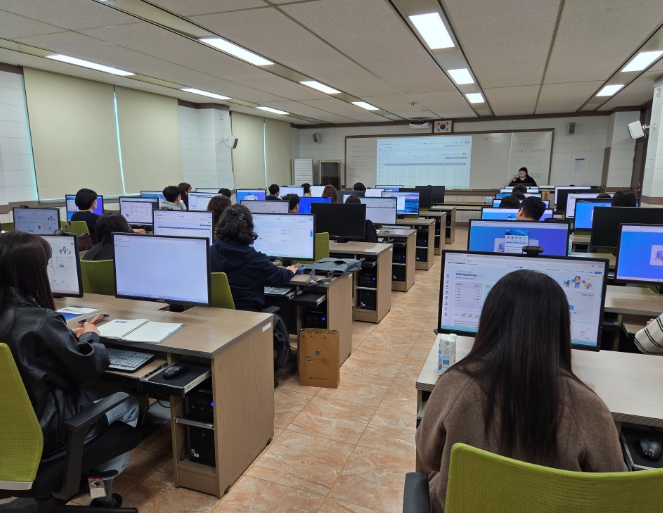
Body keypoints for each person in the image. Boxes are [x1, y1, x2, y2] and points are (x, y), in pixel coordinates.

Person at [416, 270, 626, 512]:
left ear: (489, 321)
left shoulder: (455, 384)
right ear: (560, 328)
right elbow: (614, 490)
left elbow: (428, 455)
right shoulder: (588, 407)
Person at [0, 232, 139, 508]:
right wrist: (90, 335)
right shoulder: (41, 321)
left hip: (10, 435)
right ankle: (101, 496)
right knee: (127, 402)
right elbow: (89, 365)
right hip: (52, 438)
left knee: (94, 395)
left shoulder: (26, 320)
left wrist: (62, 338)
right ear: (33, 272)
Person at [210, 204, 297, 312]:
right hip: (249, 317)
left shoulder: (210, 251)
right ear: (249, 227)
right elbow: (278, 277)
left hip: (216, 315)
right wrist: (290, 271)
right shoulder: (254, 259)